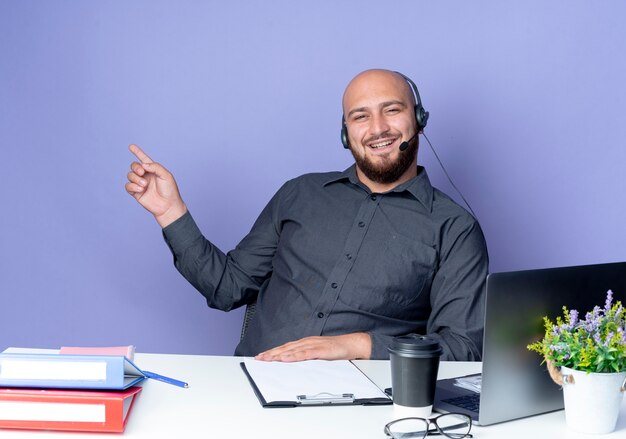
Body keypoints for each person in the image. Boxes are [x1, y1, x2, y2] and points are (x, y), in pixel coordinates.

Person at [125, 69, 488, 362]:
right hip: (251, 385)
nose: (377, 128)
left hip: (365, 402)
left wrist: (356, 346)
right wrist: (171, 212)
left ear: (419, 119)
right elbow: (226, 288)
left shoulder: (455, 228)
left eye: (392, 110)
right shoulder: (299, 194)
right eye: (360, 116)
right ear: (346, 134)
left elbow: (462, 348)